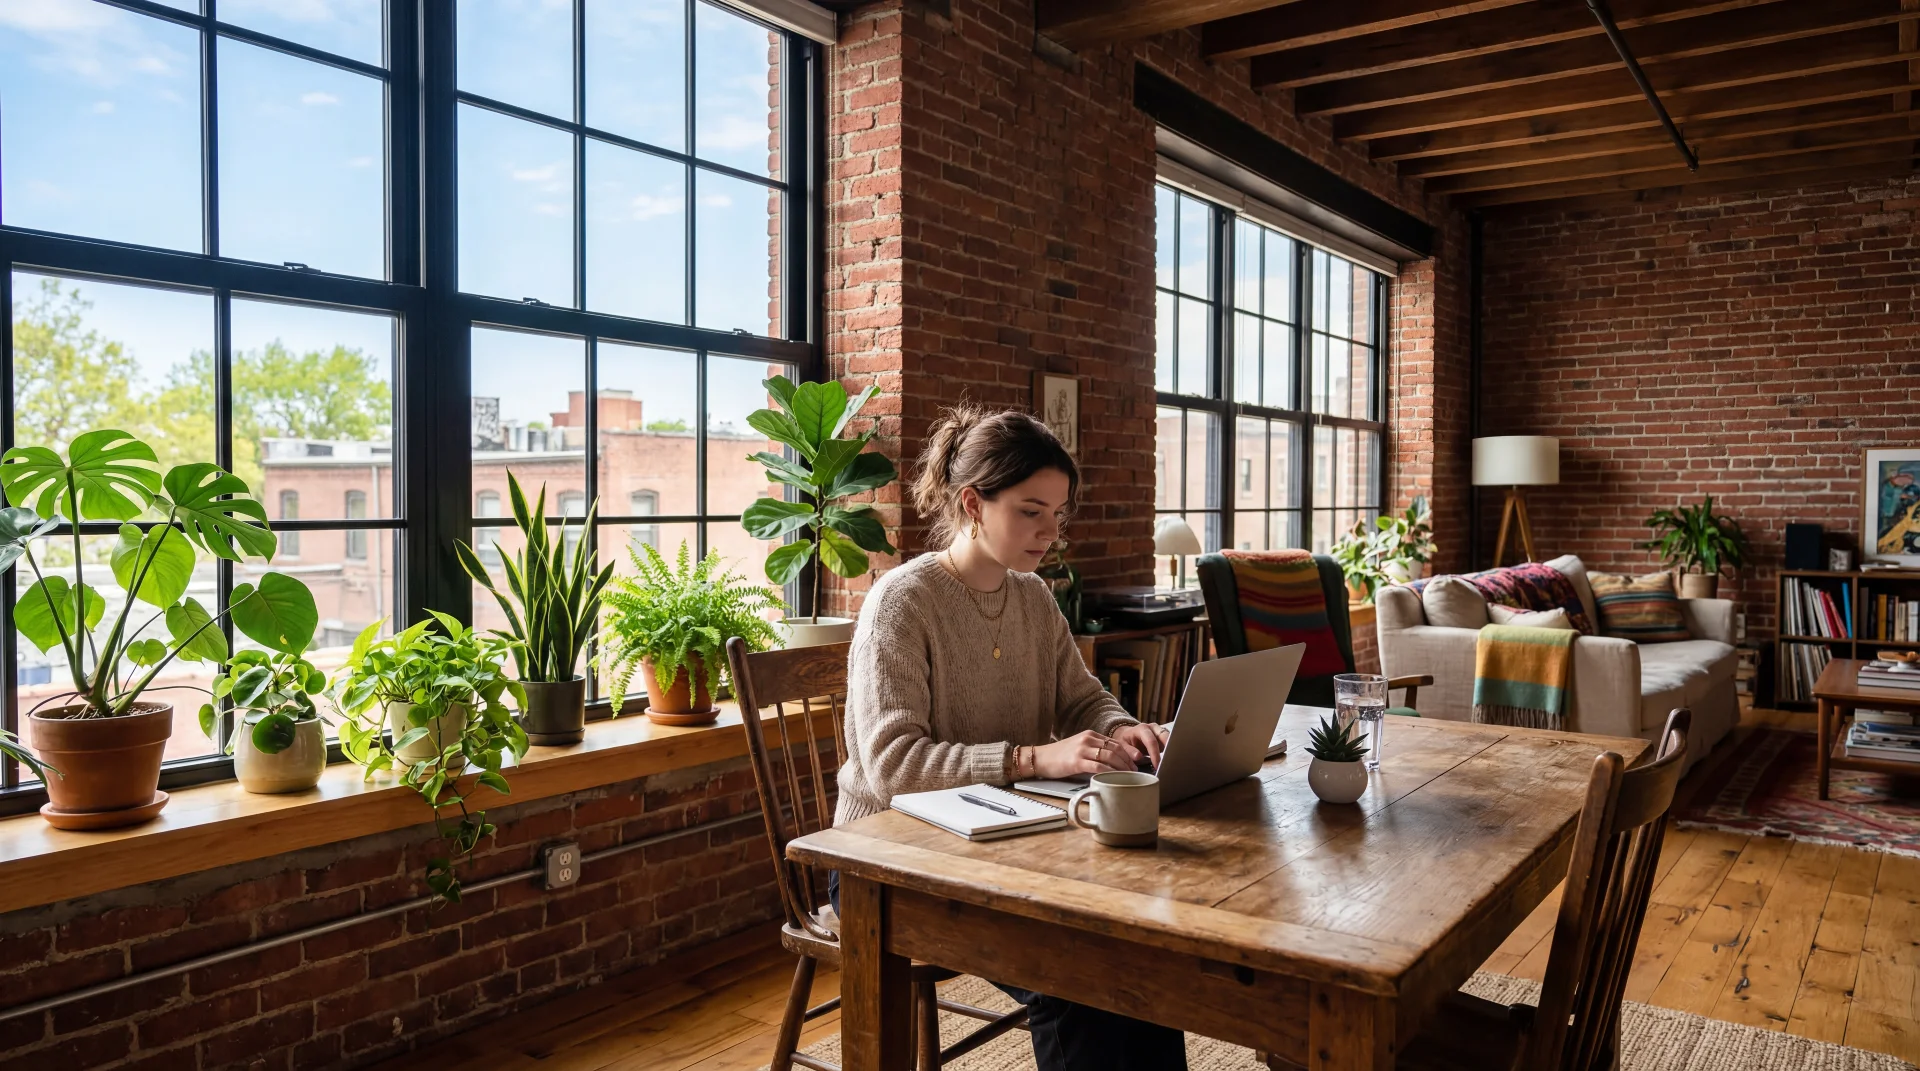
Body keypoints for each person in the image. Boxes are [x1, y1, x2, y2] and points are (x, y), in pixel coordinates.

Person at [831, 404, 1187, 1071]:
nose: (1050, 531)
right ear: (973, 501)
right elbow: (890, 766)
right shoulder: (902, 602)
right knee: (1075, 980)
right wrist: (1030, 756)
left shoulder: (1031, 596)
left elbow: (1080, 694)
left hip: (1003, 836)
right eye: (1031, 510)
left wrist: (1120, 724)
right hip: (884, 858)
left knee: (1140, 954)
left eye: (1058, 513)